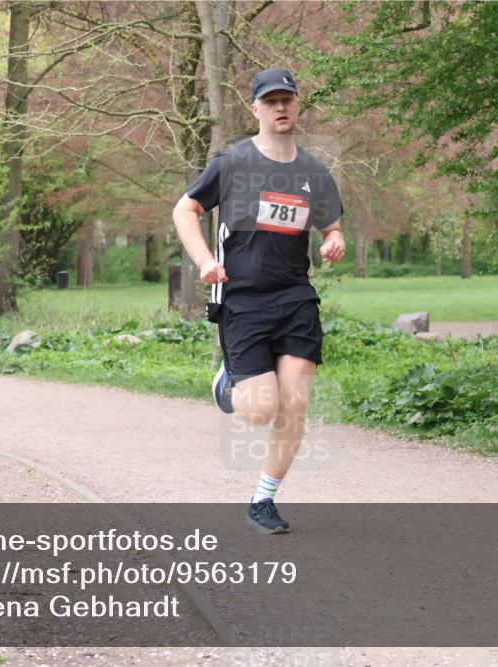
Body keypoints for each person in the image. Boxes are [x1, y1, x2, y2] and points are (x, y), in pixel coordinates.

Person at [172, 68, 345, 534]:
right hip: (243, 298)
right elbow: (184, 209)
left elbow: (331, 223)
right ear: (256, 109)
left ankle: (262, 500)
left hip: (295, 297)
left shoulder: (313, 171)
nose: (281, 107)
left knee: (296, 402)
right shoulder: (233, 163)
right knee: (260, 410)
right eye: (271, 101)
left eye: (287, 99)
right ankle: (229, 385)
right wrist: (205, 260)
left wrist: (333, 239)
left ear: (298, 104)